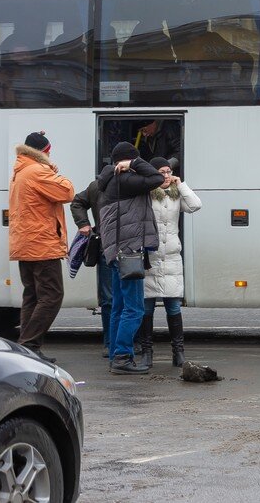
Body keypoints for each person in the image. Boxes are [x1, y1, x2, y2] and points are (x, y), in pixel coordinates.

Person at [97, 142, 165, 375]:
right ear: (126, 161)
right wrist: (135, 162)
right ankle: (123, 357)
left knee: (118, 307)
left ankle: (115, 354)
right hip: (129, 251)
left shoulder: (109, 181)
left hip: (117, 252)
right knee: (134, 309)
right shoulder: (124, 179)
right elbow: (157, 178)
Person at [8, 131, 75, 363]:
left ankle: (26, 350)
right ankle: (30, 345)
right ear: (44, 152)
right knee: (52, 295)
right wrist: (52, 169)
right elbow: (67, 191)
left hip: (26, 243)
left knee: (33, 296)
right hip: (41, 244)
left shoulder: (20, 170)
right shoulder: (38, 171)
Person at [139, 158, 202, 368]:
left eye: (169, 171)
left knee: (173, 306)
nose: (166, 176)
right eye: (161, 172)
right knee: (146, 308)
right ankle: (147, 352)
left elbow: (195, 205)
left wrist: (180, 184)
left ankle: (178, 352)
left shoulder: (176, 195)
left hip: (172, 257)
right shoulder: (146, 194)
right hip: (150, 257)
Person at [71, 179, 114, 358]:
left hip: (108, 248)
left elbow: (77, 202)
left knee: (110, 299)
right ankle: (117, 343)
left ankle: (112, 343)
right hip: (117, 249)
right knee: (118, 299)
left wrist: (83, 223)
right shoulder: (99, 185)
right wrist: (83, 223)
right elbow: (77, 202)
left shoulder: (97, 185)